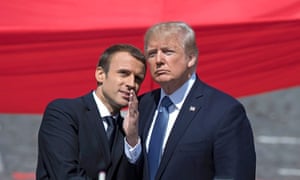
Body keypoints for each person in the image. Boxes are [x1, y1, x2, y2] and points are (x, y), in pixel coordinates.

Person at [138, 21, 256, 180]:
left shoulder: (224, 112)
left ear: (191, 58)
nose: (158, 60)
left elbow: (234, 175)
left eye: (168, 52)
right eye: (152, 54)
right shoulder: (142, 106)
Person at [36, 44, 146, 180]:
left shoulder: (129, 132)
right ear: (100, 74)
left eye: (138, 79)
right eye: (123, 73)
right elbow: (66, 174)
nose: (131, 83)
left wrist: (132, 140)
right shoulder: (63, 112)